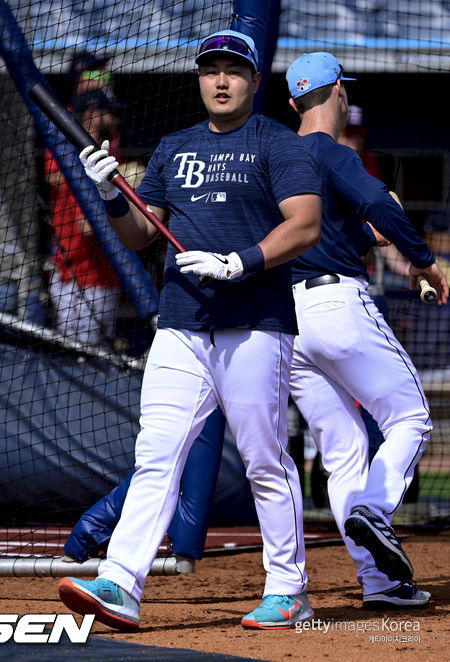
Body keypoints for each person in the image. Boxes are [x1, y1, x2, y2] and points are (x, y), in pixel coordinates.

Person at [57, 29, 323, 631]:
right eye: (211, 71)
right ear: (199, 79)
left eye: (234, 70)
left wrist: (240, 262)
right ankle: (122, 581)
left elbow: (305, 226)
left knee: (263, 459)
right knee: (157, 454)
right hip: (182, 323)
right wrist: (111, 196)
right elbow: (141, 235)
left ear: (255, 81)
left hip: (254, 322)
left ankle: (290, 590)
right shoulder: (175, 148)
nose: (221, 81)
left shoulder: (279, 145)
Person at [285, 51, 448, 610]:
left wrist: (361, 233)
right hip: (338, 305)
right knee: (411, 418)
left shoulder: (273, 154)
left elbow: (317, 226)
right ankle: (374, 512)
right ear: (339, 94)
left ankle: (381, 584)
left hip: (286, 320)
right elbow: (380, 197)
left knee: (344, 449)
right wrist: (423, 260)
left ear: (290, 103)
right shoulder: (332, 151)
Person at [45, 89, 122, 346]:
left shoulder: (109, 152)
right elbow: (87, 226)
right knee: (81, 355)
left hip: (106, 275)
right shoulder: (71, 153)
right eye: (107, 111)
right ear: (91, 113)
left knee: (102, 353)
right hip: (78, 278)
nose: (113, 117)